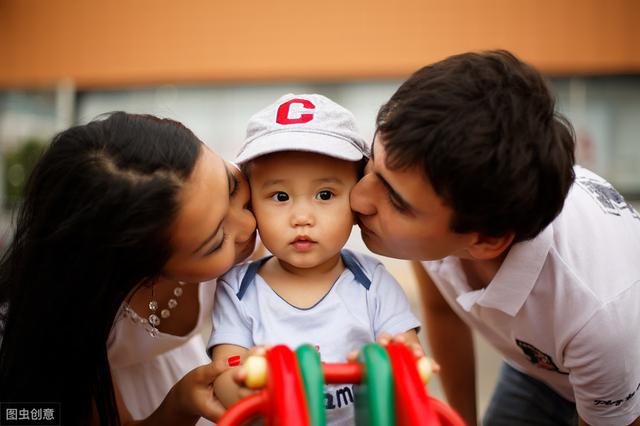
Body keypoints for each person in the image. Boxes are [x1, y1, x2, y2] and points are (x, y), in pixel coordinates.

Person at [349, 50, 640, 426]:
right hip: (540, 368)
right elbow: (442, 312)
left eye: (396, 200)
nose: (357, 197)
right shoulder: (454, 207)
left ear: (486, 241)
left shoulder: (597, 314)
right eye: (374, 162)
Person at [0, 112, 257, 425]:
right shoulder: (75, 320)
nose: (250, 224)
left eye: (231, 186)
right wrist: (180, 404)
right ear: (145, 272)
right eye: (217, 243)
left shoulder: (209, 209)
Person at [207, 94, 421, 424]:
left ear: (357, 200)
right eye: (280, 197)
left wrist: (405, 359)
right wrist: (246, 385)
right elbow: (225, 371)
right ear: (251, 205)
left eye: (325, 195)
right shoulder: (238, 288)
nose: (302, 217)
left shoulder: (372, 281)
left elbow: (405, 354)